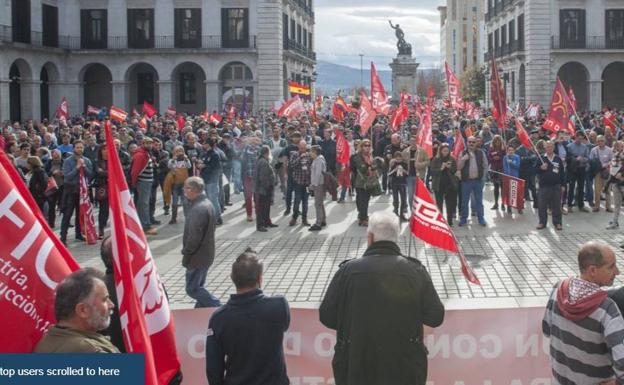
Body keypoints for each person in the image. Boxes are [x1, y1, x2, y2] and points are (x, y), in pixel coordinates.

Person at [319, 211, 444, 385]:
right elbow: (435, 316)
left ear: (370, 237)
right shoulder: (415, 271)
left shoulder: (347, 271)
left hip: (356, 363)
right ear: (396, 238)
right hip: (404, 366)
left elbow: (327, 316)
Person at [542, 241, 624, 384]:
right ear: (593, 270)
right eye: (611, 267)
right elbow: (622, 363)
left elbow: (546, 330)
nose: (617, 271)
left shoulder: (558, 288)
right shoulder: (606, 309)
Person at [205, 248, 290, 385]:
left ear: (233, 278)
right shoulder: (279, 305)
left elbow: (213, 368)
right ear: (260, 279)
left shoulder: (219, 318)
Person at [34, 268, 119, 353]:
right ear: (83, 310)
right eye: (105, 299)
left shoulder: (46, 341)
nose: (111, 305)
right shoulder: (92, 351)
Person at [181, 177, 221, 308]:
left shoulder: (198, 209)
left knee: (192, 288)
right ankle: (201, 309)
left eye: (186, 188)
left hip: (197, 256)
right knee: (199, 286)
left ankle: (218, 305)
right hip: (205, 254)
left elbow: (194, 238)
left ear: (193, 190)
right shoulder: (207, 203)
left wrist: (186, 253)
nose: (184, 191)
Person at [60, 140, 93, 245]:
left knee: (81, 214)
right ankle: (63, 237)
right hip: (70, 191)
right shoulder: (68, 161)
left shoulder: (87, 160)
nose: (80, 149)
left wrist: (84, 167)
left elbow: (91, 175)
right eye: (78, 147)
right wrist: (77, 168)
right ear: (74, 148)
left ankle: (78, 234)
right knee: (68, 214)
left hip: (82, 191)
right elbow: (67, 177)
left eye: (81, 147)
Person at [458, 136, 488, 226]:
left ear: (476, 143)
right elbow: (458, 167)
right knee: (464, 201)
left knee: (479, 201)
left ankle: (481, 218)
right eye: (469, 142)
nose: (471, 144)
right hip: (466, 181)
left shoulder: (480, 152)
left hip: (478, 181)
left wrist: (483, 177)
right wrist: (463, 159)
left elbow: (485, 165)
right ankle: (463, 218)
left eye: (473, 142)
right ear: (467, 143)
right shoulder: (463, 153)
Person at [130, 136, 158, 235]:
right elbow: (135, 171)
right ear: (142, 144)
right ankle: (145, 225)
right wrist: (133, 183)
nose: (149, 145)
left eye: (150, 143)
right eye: (147, 143)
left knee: (142, 203)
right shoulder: (140, 155)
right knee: (144, 204)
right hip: (143, 182)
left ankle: (140, 224)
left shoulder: (146, 154)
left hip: (147, 182)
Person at [536, 141, 565, 230]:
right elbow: (534, 170)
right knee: (542, 205)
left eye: (551, 147)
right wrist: (541, 168)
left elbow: (562, 173)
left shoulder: (558, 159)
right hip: (544, 186)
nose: (549, 148)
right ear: (545, 148)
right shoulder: (541, 158)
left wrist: (563, 185)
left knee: (556, 205)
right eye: (547, 147)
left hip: (556, 186)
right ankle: (542, 222)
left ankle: (557, 223)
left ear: (553, 148)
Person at [430, 143, 458, 226]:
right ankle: (440, 221)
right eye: (444, 151)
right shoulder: (436, 159)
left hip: (449, 184)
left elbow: (455, 170)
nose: (446, 152)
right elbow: (432, 172)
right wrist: (440, 169)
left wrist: (450, 168)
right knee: (439, 204)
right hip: (438, 185)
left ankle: (450, 221)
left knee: (449, 204)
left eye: (447, 150)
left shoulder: (452, 158)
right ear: (440, 151)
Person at [352, 139, 379, 227]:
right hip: (360, 182)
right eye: (365, 145)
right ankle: (363, 217)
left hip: (369, 182)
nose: (367, 147)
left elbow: (375, 166)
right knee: (361, 201)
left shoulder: (371, 156)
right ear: (361, 147)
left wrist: (372, 165)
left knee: (366, 201)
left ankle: (363, 216)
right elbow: (362, 168)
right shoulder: (357, 156)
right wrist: (369, 165)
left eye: (369, 145)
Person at [254, 145, 277, 232]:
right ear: (267, 153)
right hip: (262, 190)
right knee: (261, 208)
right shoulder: (263, 162)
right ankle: (260, 225)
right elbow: (263, 177)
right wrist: (268, 186)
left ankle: (267, 222)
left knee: (266, 207)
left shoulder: (262, 160)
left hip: (263, 189)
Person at [289, 141, 311, 227]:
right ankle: (294, 217)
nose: (302, 150)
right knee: (297, 201)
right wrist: (300, 158)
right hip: (298, 182)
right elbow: (292, 165)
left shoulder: (309, 155)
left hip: (306, 183)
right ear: (298, 147)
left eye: (304, 148)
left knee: (305, 202)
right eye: (301, 148)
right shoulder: (294, 154)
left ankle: (304, 219)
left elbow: (311, 165)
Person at [566, 131, 590, 212]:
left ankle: (581, 205)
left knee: (581, 187)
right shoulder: (569, 146)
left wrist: (582, 159)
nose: (579, 140)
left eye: (581, 138)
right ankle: (569, 205)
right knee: (571, 187)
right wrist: (574, 159)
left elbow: (588, 158)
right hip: (572, 170)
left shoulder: (585, 147)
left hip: (582, 169)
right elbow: (567, 158)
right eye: (578, 138)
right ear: (575, 137)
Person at [167, 146, 191, 224]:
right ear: (173, 153)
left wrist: (186, 158)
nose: (179, 153)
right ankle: (174, 218)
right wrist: (173, 160)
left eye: (180, 151)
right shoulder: (172, 160)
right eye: (177, 151)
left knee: (185, 202)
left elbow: (189, 166)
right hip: (175, 184)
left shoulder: (185, 160)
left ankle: (187, 217)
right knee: (174, 202)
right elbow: (169, 166)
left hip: (184, 184)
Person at [590, 135, 614, 212]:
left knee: (607, 190)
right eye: (599, 141)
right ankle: (597, 206)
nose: (600, 142)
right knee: (597, 190)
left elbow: (612, 160)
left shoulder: (609, 150)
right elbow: (591, 160)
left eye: (602, 140)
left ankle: (608, 207)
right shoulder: (593, 150)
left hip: (606, 172)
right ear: (596, 142)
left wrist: (607, 165)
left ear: (605, 141)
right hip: (597, 172)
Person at [309, 145, 327, 231]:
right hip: (319, 184)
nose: (310, 153)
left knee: (318, 204)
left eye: (311, 151)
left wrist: (313, 184)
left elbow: (318, 174)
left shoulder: (319, 160)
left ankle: (318, 223)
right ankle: (322, 219)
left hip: (318, 184)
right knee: (320, 203)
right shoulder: (317, 159)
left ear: (315, 152)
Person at [94, 144, 109, 238]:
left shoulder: (114, 160)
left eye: (107, 149)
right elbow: (98, 172)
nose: (106, 151)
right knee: (103, 209)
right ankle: (101, 229)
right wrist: (109, 172)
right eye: (104, 149)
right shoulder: (97, 161)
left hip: (113, 188)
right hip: (103, 188)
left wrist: (104, 172)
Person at [388, 151, 409, 222]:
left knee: (403, 199)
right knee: (395, 199)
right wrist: (394, 169)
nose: (399, 160)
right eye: (397, 159)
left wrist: (403, 170)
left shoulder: (404, 164)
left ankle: (402, 213)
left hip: (402, 183)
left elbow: (408, 174)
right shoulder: (393, 164)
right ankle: (396, 212)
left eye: (400, 159)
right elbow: (389, 174)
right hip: (395, 183)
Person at [502, 145, 522, 214]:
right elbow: (504, 167)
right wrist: (507, 175)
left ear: (514, 151)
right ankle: (509, 207)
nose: (510, 151)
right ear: (507, 151)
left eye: (512, 150)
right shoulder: (505, 157)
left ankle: (519, 207)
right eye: (509, 150)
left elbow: (517, 166)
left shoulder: (517, 157)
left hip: (515, 177)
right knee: (508, 193)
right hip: (508, 177)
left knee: (516, 193)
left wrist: (511, 163)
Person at [488, 135, 505, 210]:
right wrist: (493, 158)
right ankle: (496, 203)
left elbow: (505, 157)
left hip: (502, 170)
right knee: (496, 187)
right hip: (494, 170)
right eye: (496, 141)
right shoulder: (491, 149)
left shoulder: (503, 149)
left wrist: (500, 157)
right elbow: (488, 157)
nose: (497, 142)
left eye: (499, 141)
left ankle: (503, 203)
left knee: (503, 187)